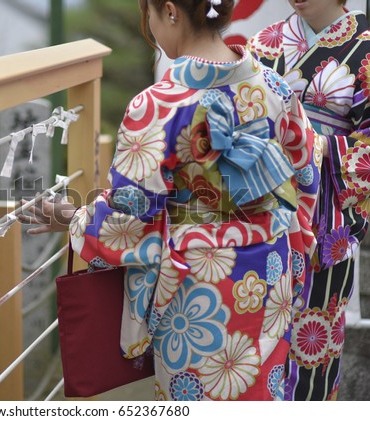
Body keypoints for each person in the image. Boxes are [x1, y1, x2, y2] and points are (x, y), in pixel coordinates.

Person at [20, 0, 321, 400]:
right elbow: (305, 173)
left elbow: (132, 215)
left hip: (198, 289)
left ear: (170, 11)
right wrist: (291, 248)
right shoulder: (274, 87)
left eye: (149, 14)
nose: (150, 24)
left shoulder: (155, 105)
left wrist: (78, 218)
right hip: (270, 275)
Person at [248, 0, 370, 401]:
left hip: (322, 231)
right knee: (252, 358)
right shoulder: (262, 46)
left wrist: (311, 149)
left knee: (312, 360)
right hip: (260, 225)